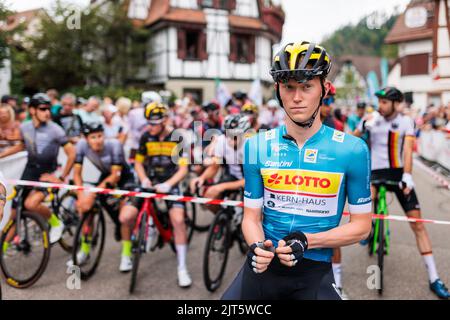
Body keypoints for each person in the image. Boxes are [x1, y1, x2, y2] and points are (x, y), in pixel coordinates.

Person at [222, 41, 372, 300]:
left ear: (324, 89)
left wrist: (307, 240)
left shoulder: (352, 150)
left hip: (313, 272)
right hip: (262, 270)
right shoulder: (256, 145)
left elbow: (361, 227)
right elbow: (251, 218)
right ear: (278, 90)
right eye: (288, 87)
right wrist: (257, 246)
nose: (297, 97)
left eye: (306, 87)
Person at [354, 87, 450, 299]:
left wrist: (407, 175)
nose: (381, 106)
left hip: (398, 173)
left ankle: (434, 277)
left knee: (418, 224)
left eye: (385, 102)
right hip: (376, 172)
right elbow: (353, 139)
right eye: (379, 101)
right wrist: (362, 127)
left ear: (396, 104)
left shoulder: (406, 122)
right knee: (368, 199)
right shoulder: (372, 118)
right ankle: (369, 228)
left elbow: (407, 150)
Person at [119, 102, 192, 287]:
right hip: (149, 180)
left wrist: (168, 184)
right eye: (148, 123)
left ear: (165, 120)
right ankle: (126, 254)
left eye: (154, 124)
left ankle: (182, 268)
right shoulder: (145, 137)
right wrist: (143, 179)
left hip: (170, 181)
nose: (150, 127)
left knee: (178, 220)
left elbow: (183, 169)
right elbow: (138, 163)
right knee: (125, 216)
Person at [69, 123, 136, 271]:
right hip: (105, 175)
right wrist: (81, 195)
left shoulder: (115, 145)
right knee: (86, 210)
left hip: (123, 177)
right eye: (93, 137)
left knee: (123, 216)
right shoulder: (81, 146)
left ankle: (126, 255)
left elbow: (116, 175)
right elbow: (77, 174)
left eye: (100, 136)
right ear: (86, 139)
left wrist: (92, 193)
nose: (97, 140)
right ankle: (85, 251)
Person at [13, 93, 76, 244]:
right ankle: (4, 248)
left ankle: (56, 223)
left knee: (30, 204)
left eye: (48, 109)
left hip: (49, 172)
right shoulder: (25, 127)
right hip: (30, 170)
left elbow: (72, 153)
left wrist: (61, 177)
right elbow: (21, 146)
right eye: (42, 109)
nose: (47, 112)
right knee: (14, 210)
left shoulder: (55, 129)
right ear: (32, 110)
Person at [189, 114, 250, 213]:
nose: (230, 139)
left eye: (234, 136)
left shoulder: (251, 145)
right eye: (227, 135)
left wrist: (222, 186)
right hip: (233, 175)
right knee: (209, 196)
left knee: (251, 212)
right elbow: (215, 166)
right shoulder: (222, 141)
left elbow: (250, 179)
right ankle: (222, 219)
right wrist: (202, 178)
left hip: (249, 180)